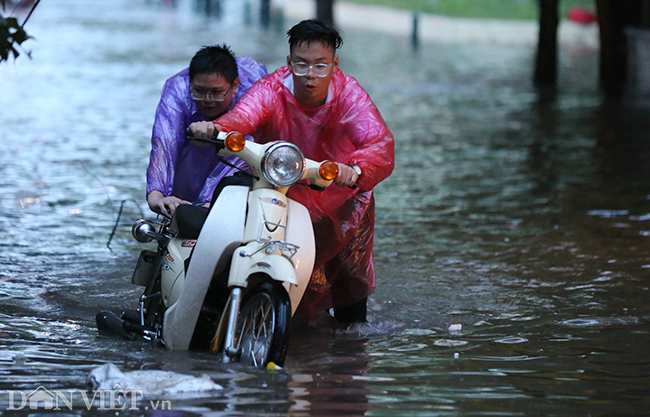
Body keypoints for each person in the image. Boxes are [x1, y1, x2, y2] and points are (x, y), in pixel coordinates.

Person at [189, 20, 395, 324]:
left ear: (334, 65)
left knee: (348, 286)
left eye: (320, 66)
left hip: (337, 199)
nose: (310, 76)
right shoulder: (271, 89)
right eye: (302, 65)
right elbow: (243, 116)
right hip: (281, 193)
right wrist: (216, 129)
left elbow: (379, 142)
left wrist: (355, 168)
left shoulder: (350, 95)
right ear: (289, 63)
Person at [146, 44, 267, 215]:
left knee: (246, 144)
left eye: (217, 92)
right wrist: (156, 196)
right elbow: (164, 142)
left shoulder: (255, 88)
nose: (207, 99)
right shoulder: (177, 90)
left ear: (235, 86)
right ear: (190, 84)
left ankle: (210, 203)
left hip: (238, 173)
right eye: (199, 91)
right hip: (191, 165)